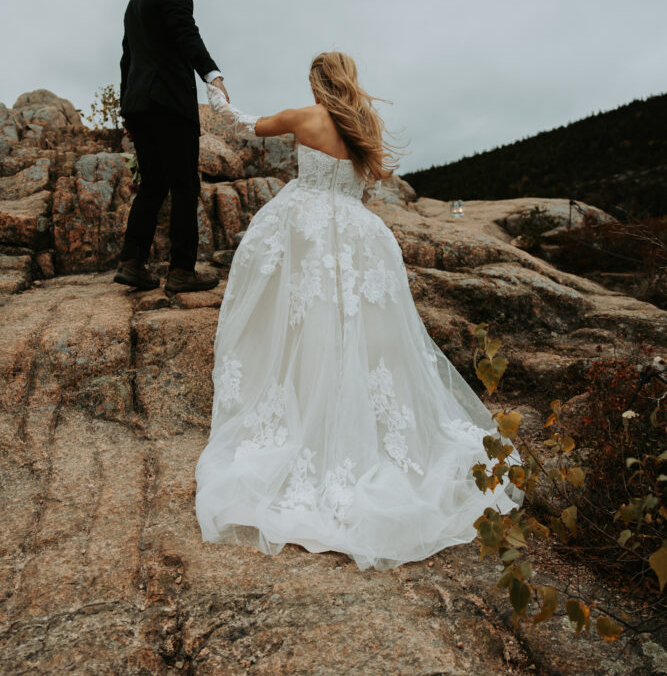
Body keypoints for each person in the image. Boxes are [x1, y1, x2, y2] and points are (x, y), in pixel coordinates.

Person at [195, 52, 523, 571]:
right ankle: (351, 425)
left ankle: (311, 420)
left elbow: (245, 126)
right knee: (362, 339)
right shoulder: (364, 124)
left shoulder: (307, 117)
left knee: (305, 324)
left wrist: (216, 93)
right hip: (358, 235)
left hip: (308, 229)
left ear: (318, 82)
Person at [115, 0, 228, 295]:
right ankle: (181, 271)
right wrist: (212, 75)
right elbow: (187, 35)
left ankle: (132, 263)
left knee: (152, 186)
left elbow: (127, 59)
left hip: (140, 105)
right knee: (183, 186)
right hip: (169, 105)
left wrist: (127, 108)